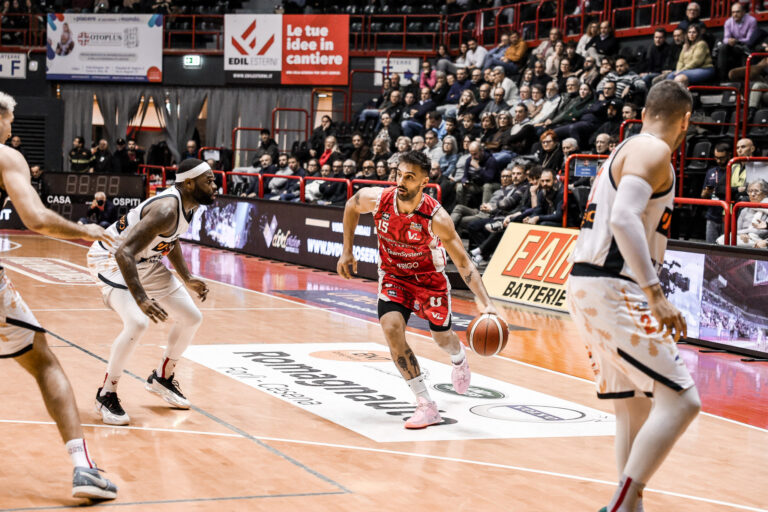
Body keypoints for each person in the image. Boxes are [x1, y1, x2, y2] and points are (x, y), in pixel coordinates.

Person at [567, 80, 700, 512]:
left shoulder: (625, 149)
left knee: (633, 406)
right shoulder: (652, 150)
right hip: (613, 286)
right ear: (686, 121)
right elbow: (624, 219)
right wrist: (655, 293)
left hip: (589, 284)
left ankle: (629, 508)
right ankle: (619, 508)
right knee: (682, 401)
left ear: (643, 113)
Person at [0, 91, 117, 499]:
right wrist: (84, 230)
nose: (11, 130)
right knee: (44, 361)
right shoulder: (5, 156)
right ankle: (84, 468)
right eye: (9, 121)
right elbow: (36, 219)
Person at [336, 150, 500, 429]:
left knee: (442, 339)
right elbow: (352, 205)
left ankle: (458, 358)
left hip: (429, 281)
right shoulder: (377, 199)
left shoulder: (437, 217)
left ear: (424, 182)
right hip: (394, 277)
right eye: (399, 174)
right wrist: (347, 250)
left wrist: (485, 301)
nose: (401, 181)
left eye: (409, 177)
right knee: (391, 330)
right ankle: (425, 403)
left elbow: (463, 262)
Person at [86, 158, 215, 426]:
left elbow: (170, 239)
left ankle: (162, 378)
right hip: (111, 259)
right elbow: (124, 253)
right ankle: (106, 393)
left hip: (143, 262)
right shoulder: (166, 209)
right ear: (190, 183)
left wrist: (187, 277)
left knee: (192, 318)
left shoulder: (188, 206)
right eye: (209, 180)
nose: (215, 185)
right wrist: (142, 299)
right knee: (137, 322)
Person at [717, 179, 768, 246]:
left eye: (756, 191)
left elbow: (764, 231)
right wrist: (742, 235)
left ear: (765, 193)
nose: (752, 194)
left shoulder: (767, 209)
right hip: (743, 239)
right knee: (723, 239)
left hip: (760, 241)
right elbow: (736, 231)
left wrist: (748, 235)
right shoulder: (744, 210)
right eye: (750, 191)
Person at [717, 1, 759, 81]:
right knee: (722, 48)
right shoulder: (728, 22)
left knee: (744, 50)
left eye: (737, 12)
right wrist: (729, 41)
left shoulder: (752, 20)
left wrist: (736, 41)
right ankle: (722, 79)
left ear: (743, 12)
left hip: (746, 46)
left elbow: (749, 39)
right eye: (733, 12)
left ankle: (745, 80)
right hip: (734, 46)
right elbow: (725, 39)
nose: (735, 14)